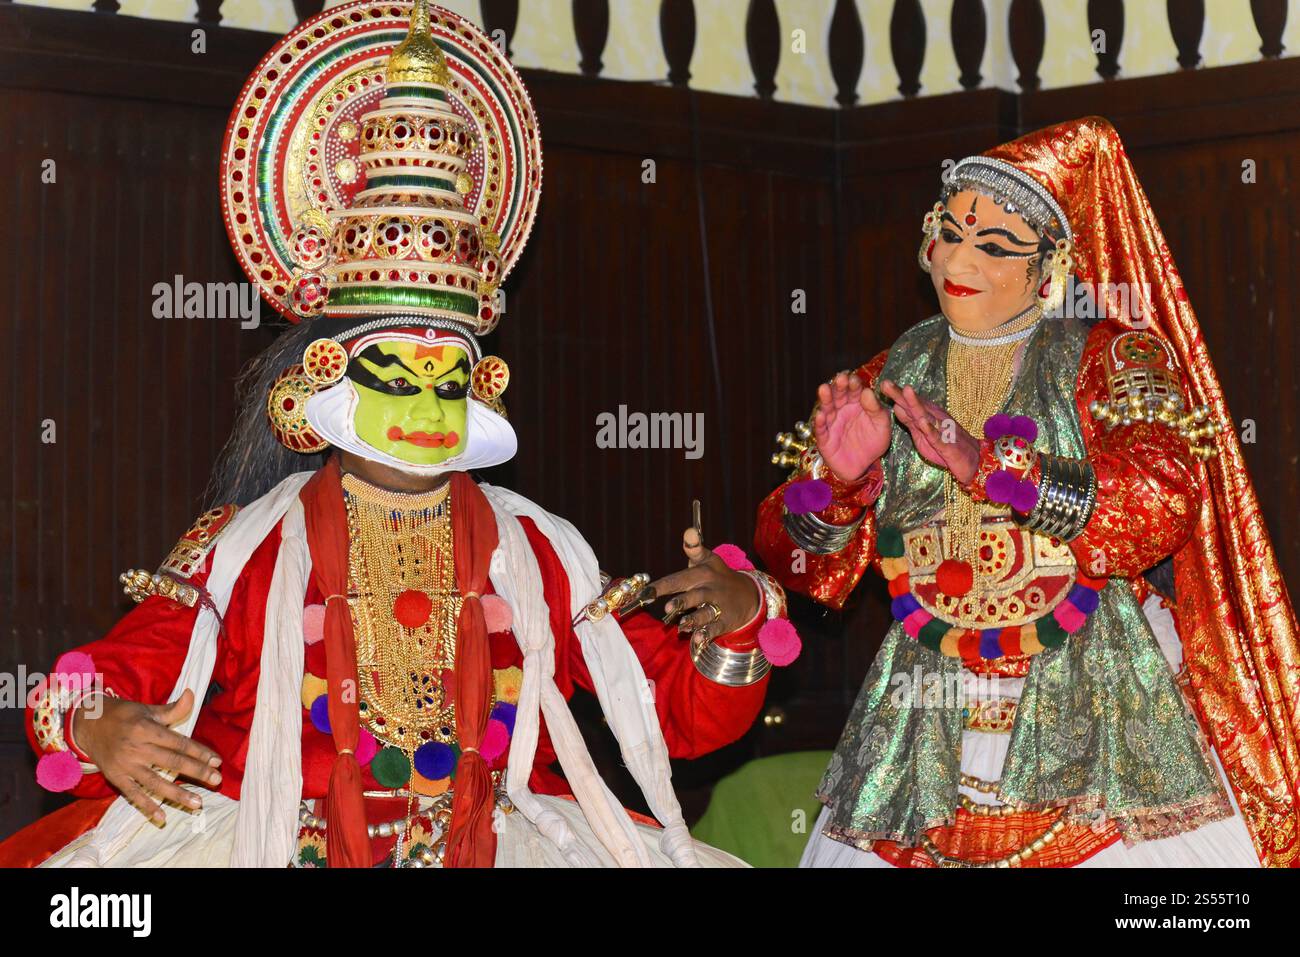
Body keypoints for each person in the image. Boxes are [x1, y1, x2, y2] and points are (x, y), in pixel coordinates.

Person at [1, 0, 785, 869]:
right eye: (394, 373)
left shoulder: (536, 553)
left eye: (446, 374)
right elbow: (90, 675)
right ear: (326, 376)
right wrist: (94, 719)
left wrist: (741, 623)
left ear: (483, 386)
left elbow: (679, 715)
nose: (425, 401)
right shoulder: (244, 549)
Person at [755, 116, 1300, 867]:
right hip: (926, 704)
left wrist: (995, 471)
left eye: (993, 244)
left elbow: (1165, 497)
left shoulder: (1118, 357)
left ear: (1051, 267)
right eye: (949, 232)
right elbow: (795, 561)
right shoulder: (896, 370)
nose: (958, 256)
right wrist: (839, 484)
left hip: (1099, 698)